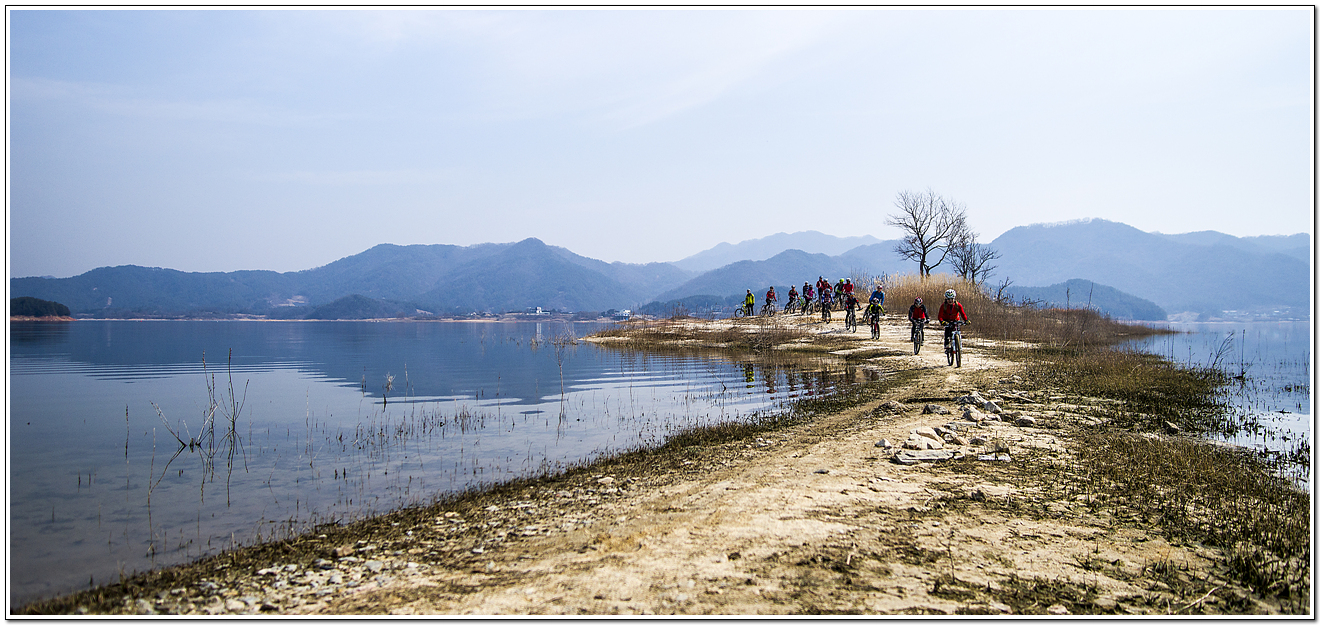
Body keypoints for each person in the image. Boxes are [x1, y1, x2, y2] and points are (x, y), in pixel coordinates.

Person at [938, 289, 969, 353]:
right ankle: (947, 344)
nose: (950, 300)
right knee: (947, 332)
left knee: (957, 330)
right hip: (947, 320)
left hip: (956, 320)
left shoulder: (958, 305)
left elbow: (962, 313)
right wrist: (942, 321)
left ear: (954, 298)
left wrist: (966, 320)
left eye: (952, 299)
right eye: (948, 299)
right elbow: (940, 315)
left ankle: (958, 344)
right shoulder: (943, 305)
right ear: (946, 299)